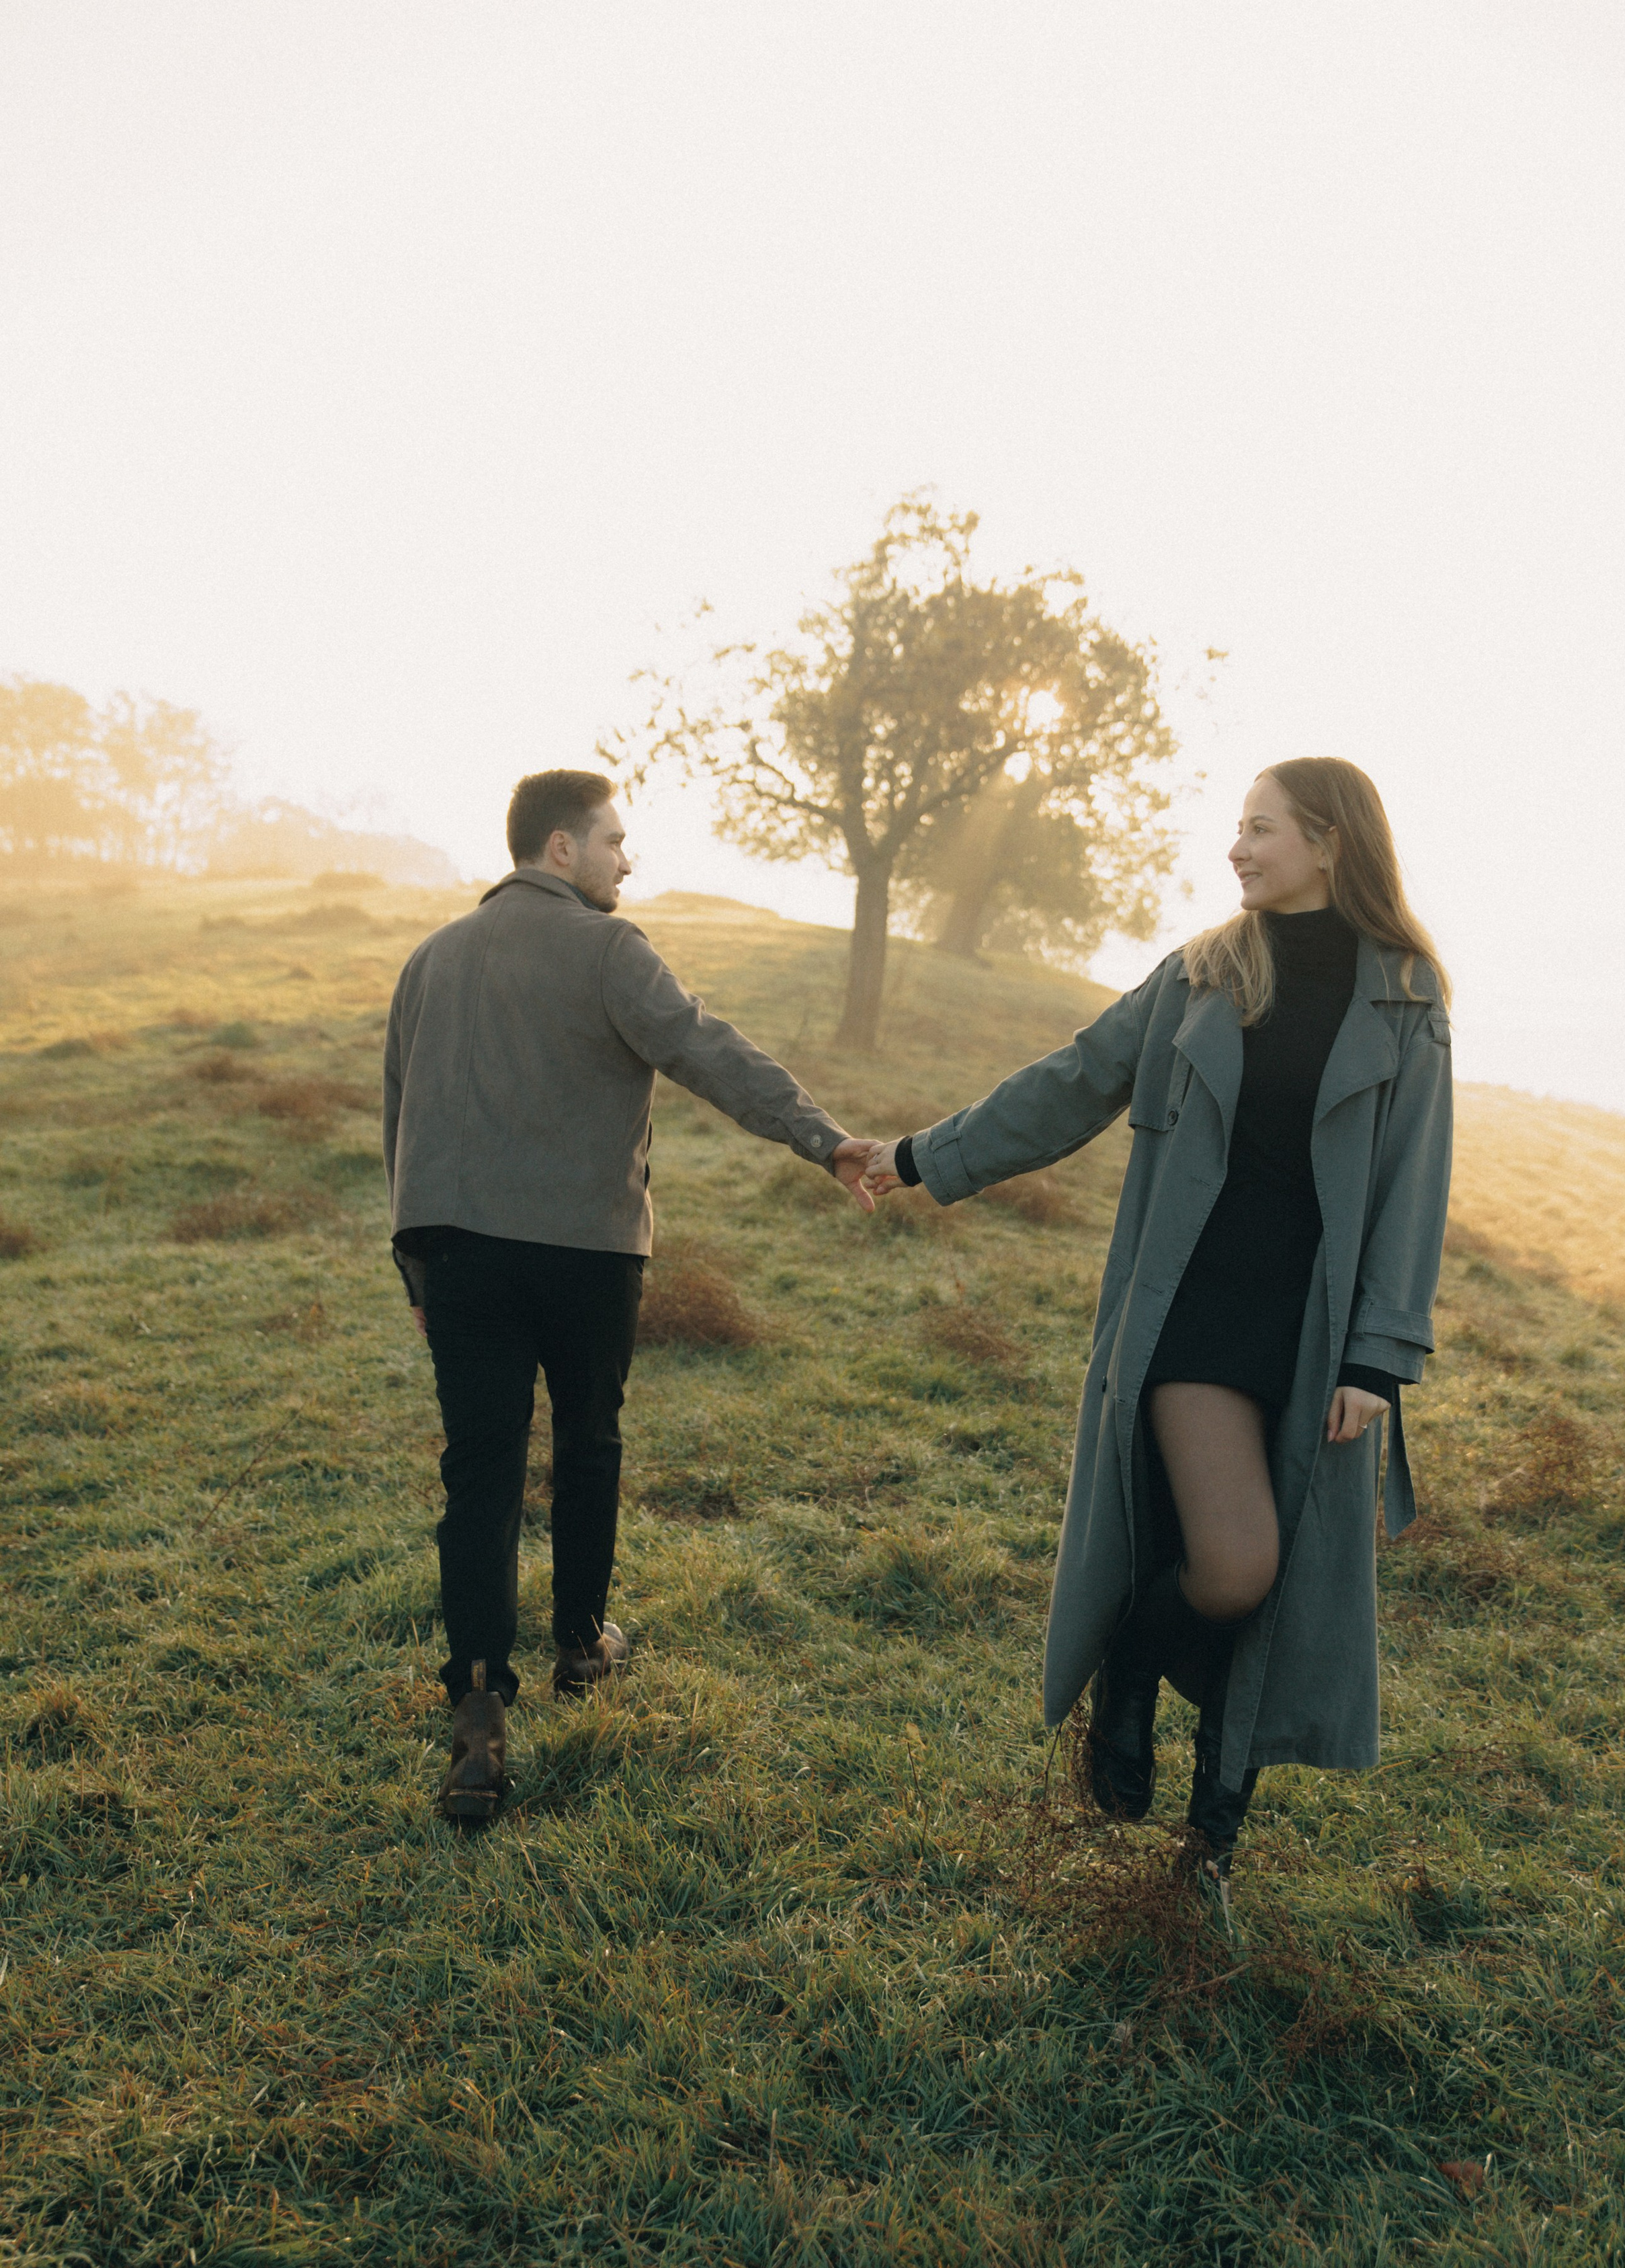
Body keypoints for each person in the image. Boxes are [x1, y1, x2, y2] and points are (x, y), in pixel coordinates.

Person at [863, 757, 1452, 1904]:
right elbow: (1072, 1083)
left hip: (1316, 1339)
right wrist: (920, 1159)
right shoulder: (1201, 972)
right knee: (1237, 1566)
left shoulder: (1408, 994)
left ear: (1331, 844)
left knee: (1275, 1601)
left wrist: (1380, 1354)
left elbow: (1411, 1183)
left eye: (1261, 829)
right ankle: (1129, 1662)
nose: (1236, 848)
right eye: (1237, 827)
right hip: (1188, 1315)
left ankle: (1210, 1854)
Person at [384, 768, 882, 1824]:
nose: (627, 860)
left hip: (458, 1253)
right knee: (589, 1442)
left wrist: (418, 1267)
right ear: (562, 850)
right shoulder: (611, 948)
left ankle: (477, 1714)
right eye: (615, 841)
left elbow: (401, 1120)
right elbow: (707, 1050)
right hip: (586, 1251)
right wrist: (824, 1140)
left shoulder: (429, 960)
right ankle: (579, 1647)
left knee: (478, 1474)